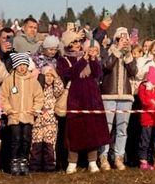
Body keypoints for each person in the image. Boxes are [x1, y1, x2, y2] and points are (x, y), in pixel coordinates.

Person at [57, 33, 110, 174]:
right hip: (75, 99)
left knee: (92, 130)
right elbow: (69, 74)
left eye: (79, 42)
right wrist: (83, 61)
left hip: (92, 99)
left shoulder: (87, 56)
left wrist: (92, 59)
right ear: (68, 44)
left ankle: (92, 161)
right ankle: (72, 162)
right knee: (74, 130)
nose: (77, 45)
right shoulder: (63, 60)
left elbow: (97, 73)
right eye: (74, 43)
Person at [0, 52, 44, 175]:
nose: (22, 67)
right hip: (14, 116)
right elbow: (3, 97)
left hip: (28, 116)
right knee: (16, 139)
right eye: (19, 65)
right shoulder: (9, 80)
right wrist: (8, 109)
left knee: (26, 139)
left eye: (24, 64)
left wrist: (35, 109)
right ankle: (14, 161)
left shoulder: (33, 81)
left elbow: (39, 97)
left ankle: (23, 161)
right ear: (15, 66)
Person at [99, 27, 137, 171]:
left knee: (122, 129)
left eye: (125, 39)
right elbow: (106, 67)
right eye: (120, 39)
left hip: (126, 97)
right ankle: (103, 157)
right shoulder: (108, 51)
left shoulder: (129, 54)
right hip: (109, 95)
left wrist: (127, 55)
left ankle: (119, 157)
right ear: (115, 39)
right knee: (107, 128)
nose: (123, 41)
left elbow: (133, 71)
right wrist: (117, 50)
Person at [29, 64, 64, 172]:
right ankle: (35, 165)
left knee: (49, 144)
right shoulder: (37, 88)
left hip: (51, 122)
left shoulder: (54, 90)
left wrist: (56, 77)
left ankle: (49, 165)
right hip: (38, 121)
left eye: (51, 76)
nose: (49, 78)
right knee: (36, 143)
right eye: (46, 75)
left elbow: (60, 90)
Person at [137, 66, 155, 171]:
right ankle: (143, 161)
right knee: (145, 141)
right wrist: (149, 91)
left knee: (154, 142)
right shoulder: (143, 88)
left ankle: (152, 160)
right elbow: (146, 102)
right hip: (147, 120)